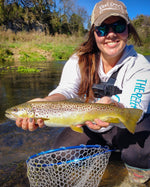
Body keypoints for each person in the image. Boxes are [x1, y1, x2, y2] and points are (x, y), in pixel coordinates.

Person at [16, 0, 150, 184]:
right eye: (102, 29)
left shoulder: (140, 65)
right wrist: (45, 102)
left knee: (140, 152)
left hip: (122, 123)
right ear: (94, 33)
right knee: (61, 154)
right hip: (88, 121)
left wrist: (113, 106)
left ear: (128, 29)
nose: (110, 34)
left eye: (118, 26)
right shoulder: (79, 59)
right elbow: (67, 89)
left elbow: (135, 107)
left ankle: (137, 172)